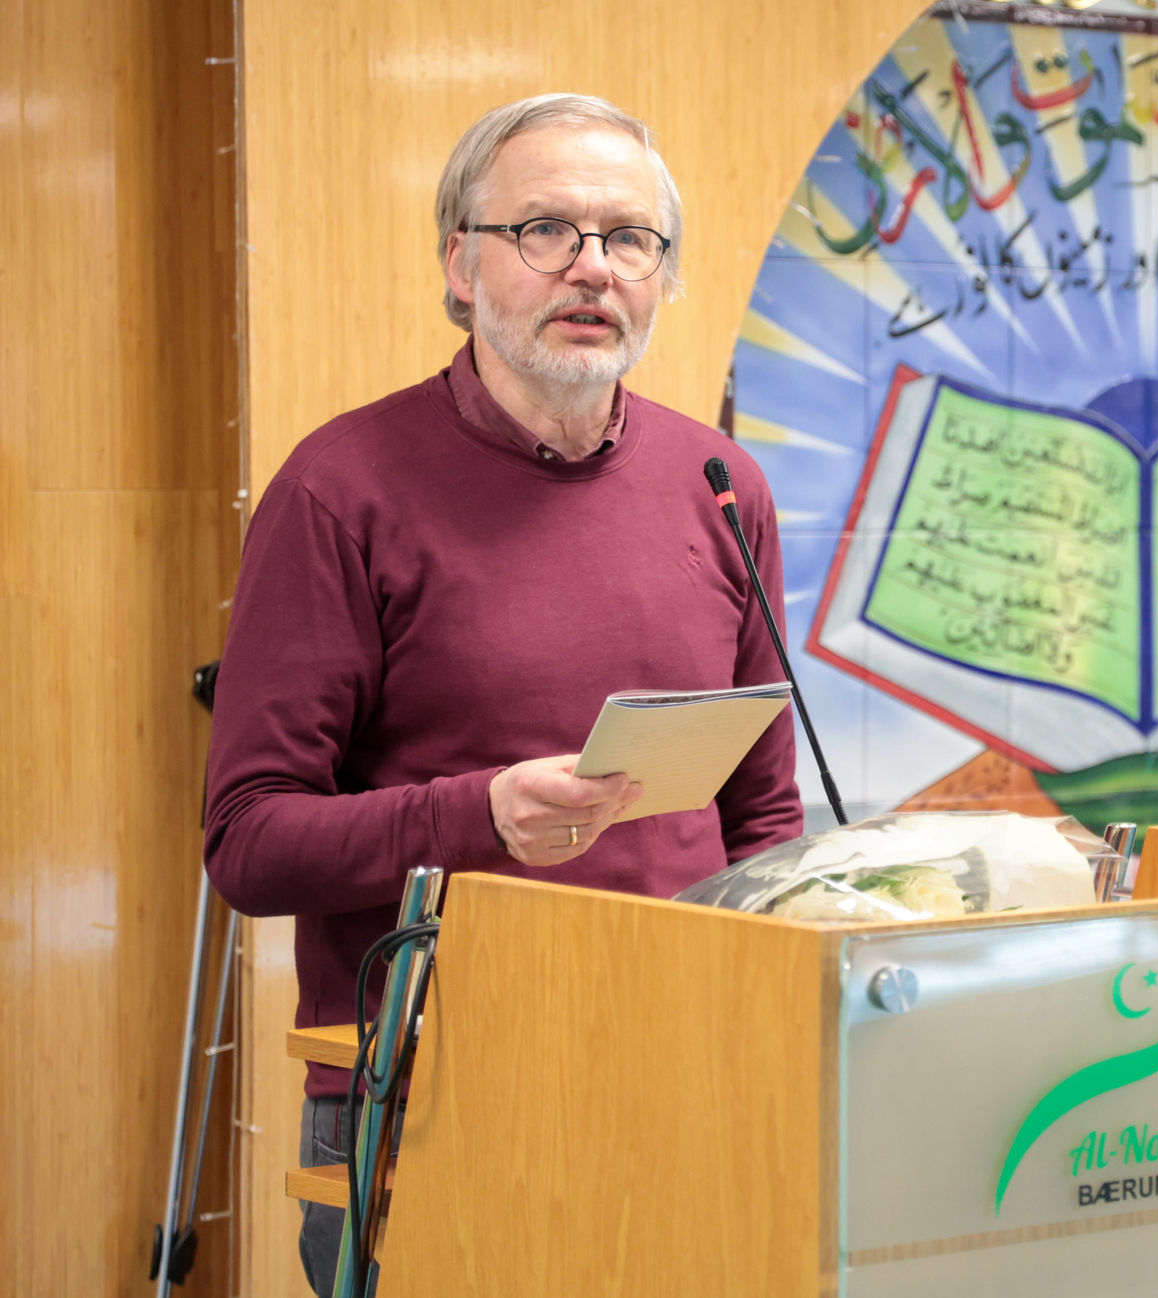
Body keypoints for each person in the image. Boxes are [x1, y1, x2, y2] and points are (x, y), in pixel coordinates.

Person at [202, 93, 804, 1295]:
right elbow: (250, 844)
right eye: (544, 229)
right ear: (461, 264)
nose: (592, 266)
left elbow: (762, 817)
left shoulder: (721, 483)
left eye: (628, 237)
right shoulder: (339, 490)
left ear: (662, 274)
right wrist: (476, 816)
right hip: (434, 1093)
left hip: (693, 1077)